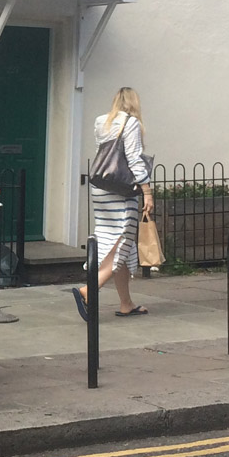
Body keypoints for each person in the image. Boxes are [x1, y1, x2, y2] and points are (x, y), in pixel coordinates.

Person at [72, 87, 153, 321]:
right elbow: (134, 158)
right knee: (122, 243)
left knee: (114, 241)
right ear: (134, 103)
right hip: (122, 190)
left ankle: (126, 303)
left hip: (102, 187)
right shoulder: (131, 123)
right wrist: (147, 192)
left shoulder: (102, 122)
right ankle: (89, 290)